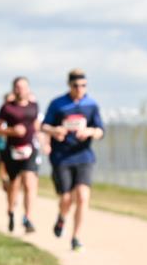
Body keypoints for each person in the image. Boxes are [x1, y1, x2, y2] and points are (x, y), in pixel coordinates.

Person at [41, 69, 105, 251]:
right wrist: (55, 131)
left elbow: (100, 131)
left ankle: (76, 237)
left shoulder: (91, 105)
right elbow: (44, 126)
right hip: (62, 157)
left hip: (84, 156)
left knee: (83, 197)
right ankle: (62, 217)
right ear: (69, 85)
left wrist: (90, 132)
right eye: (76, 86)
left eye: (83, 86)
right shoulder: (58, 104)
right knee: (67, 198)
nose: (80, 89)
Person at [0, 78, 40, 233]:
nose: (20, 90)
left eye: (23, 87)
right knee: (14, 185)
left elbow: (36, 126)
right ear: (14, 89)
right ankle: (11, 212)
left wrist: (43, 141)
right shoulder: (7, 108)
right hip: (12, 151)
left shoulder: (34, 106)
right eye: (17, 87)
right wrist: (11, 131)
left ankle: (28, 218)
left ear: (28, 89)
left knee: (29, 183)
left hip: (30, 150)